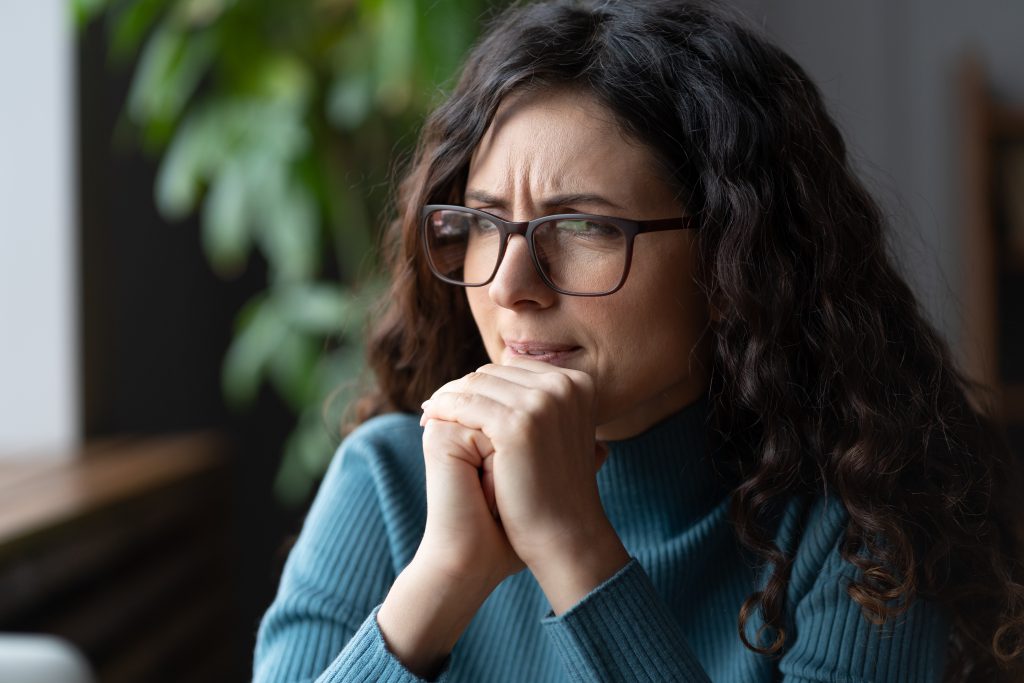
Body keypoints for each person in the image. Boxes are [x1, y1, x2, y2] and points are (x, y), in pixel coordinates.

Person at [251, 1, 1024, 681]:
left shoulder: (862, 524)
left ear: (735, 259)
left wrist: (573, 546)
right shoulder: (390, 479)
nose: (510, 282)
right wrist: (443, 577)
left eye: (584, 225)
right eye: (484, 224)